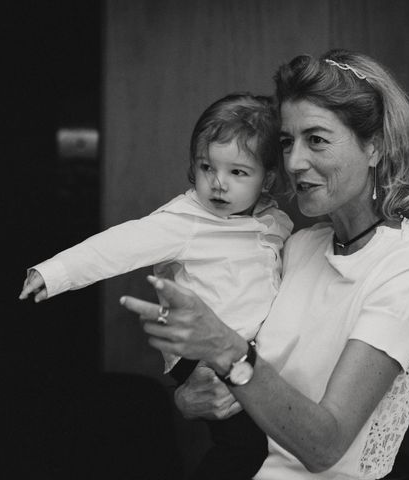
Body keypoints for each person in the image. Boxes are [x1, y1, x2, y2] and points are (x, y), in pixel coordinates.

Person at [120, 49, 409, 480]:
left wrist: (226, 350)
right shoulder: (299, 246)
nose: (293, 163)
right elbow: (250, 381)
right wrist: (189, 396)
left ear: (375, 147)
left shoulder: (407, 267)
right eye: (288, 142)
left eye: (317, 140)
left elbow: (325, 445)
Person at [19, 93, 293, 479]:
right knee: (244, 447)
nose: (217, 183)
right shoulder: (185, 221)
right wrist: (55, 272)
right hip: (202, 355)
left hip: (246, 352)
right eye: (206, 167)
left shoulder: (274, 222)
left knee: (267, 447)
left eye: (237, 172)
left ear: (269, 178)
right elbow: (119, 246)